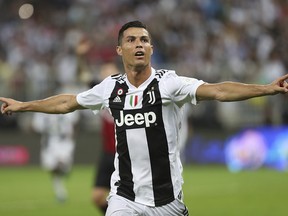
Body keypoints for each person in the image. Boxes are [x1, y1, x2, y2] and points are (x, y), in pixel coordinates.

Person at [1, 20, 288, 216]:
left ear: (151, 49)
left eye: (145, 40)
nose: (139, 44)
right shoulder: (110, 87)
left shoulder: (169, 84)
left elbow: (219, 91)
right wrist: (23, 105)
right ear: (120, 49)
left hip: (167, 201)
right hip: (123, 197)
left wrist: (267, 89)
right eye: (131, 39)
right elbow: (67, 102)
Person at [31, 109, 79, 202]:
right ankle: (61, 193)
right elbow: (75, 122)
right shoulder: (44, 111)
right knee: (52, 170)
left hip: (63, 142)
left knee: (58, 167)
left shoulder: (42, 111)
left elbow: (35, 127)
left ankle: (64, 169)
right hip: (51, 143)